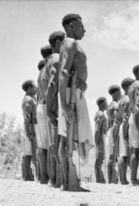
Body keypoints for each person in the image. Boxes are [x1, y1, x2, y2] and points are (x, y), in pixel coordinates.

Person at [58, 13, 94, 192]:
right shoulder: (70, 43)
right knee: (69, 135)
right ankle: (70, 183)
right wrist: (64, 105)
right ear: (71, 26)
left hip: (76, 92)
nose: (84, 29)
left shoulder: (73, 44)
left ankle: (72, 181)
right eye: (81, 26)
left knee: (73, 135)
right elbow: (64, 72)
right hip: (70, 93)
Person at [45, 31, 65, 187]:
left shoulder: (49, 60)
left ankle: (55, 178)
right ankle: (56, 179)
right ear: (58, 43)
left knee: (54, 142)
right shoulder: (57, 59)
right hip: (56, 104)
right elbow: (52, 85)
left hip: (52, 103)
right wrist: (50, 108)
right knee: (58, 142)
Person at [36, 45, 53, 184]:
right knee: (51, 143)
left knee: (42, 144)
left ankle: (43, 177)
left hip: (40, 106)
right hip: (47, 105)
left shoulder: (40, 72)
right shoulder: (49, 67)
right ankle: (51, 177)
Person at [115, 77, 134, 185]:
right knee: (127, 154)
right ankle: (128, 178)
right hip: (127, 126)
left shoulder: (121, 100)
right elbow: (126, 117)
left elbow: (119, 117)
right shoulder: (128, 99)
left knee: (123, 154)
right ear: (128, 87)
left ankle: (122, 179)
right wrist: (126, 132)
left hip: (122, 126)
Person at [21, 80, 37, 181]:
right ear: (29, 88)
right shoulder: (28, 100)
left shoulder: (31, 98)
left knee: (30, 152)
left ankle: (28, 175)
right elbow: (27, 117)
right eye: (34, 86)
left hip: (31, 126)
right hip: (29, 126)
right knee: (28, 153)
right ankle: (26, 176)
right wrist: (29, 132)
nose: (36, 88)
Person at [106, 84, 121, 184]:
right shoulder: (115, 105)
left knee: (111, 155)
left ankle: (110, 178)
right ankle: (111, 178)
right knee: (113, 155)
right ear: (116, 93)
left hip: (110, 130)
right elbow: (116, 121)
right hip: (113, 130)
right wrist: (116, 135)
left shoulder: (110, 105)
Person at [94, 97, 108, 183]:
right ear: (102, 104)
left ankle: (99, 177)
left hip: (101, 137)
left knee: (100, 158)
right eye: (106, 103)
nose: (107, 104)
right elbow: (97, 129)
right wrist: (98, 143)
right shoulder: (101, 115)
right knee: (99, 158)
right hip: (100, 138)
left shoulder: (99, 113)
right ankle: (99, 178)